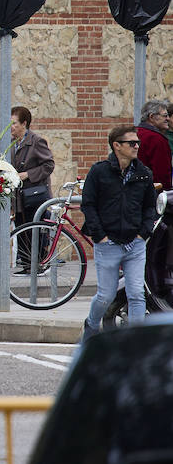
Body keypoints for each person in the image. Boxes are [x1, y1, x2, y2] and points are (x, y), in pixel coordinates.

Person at [80, 124, 157, 343]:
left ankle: (135, 342)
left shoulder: (143, 174)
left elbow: (150, 207)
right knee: (106, 296)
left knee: (136, 294)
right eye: (131, 143)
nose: (136, 147)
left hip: (136, 243)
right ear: (117, 146)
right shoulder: (99, 171)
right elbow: (89, 205)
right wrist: (100, 236)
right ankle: (92, 326)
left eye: (138, 143)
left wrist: (144, 233)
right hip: (108, 244)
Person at [9, 107, 54, 270]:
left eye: (14, 123)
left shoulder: (36, 141)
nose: (11, 127)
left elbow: (49, 165)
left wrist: (27, 174)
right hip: (19, 196)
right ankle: (28, 265)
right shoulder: (12, 142)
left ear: (24, 123)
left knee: (34, 229)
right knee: (22, 228)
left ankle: (40, 264)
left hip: (33, 196)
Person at [135, 100, 172, 191]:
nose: (168, 119)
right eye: (164, 115)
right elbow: (162, 172)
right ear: (151, 117)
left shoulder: (134, 133)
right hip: (153, 192)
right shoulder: (157, 139)